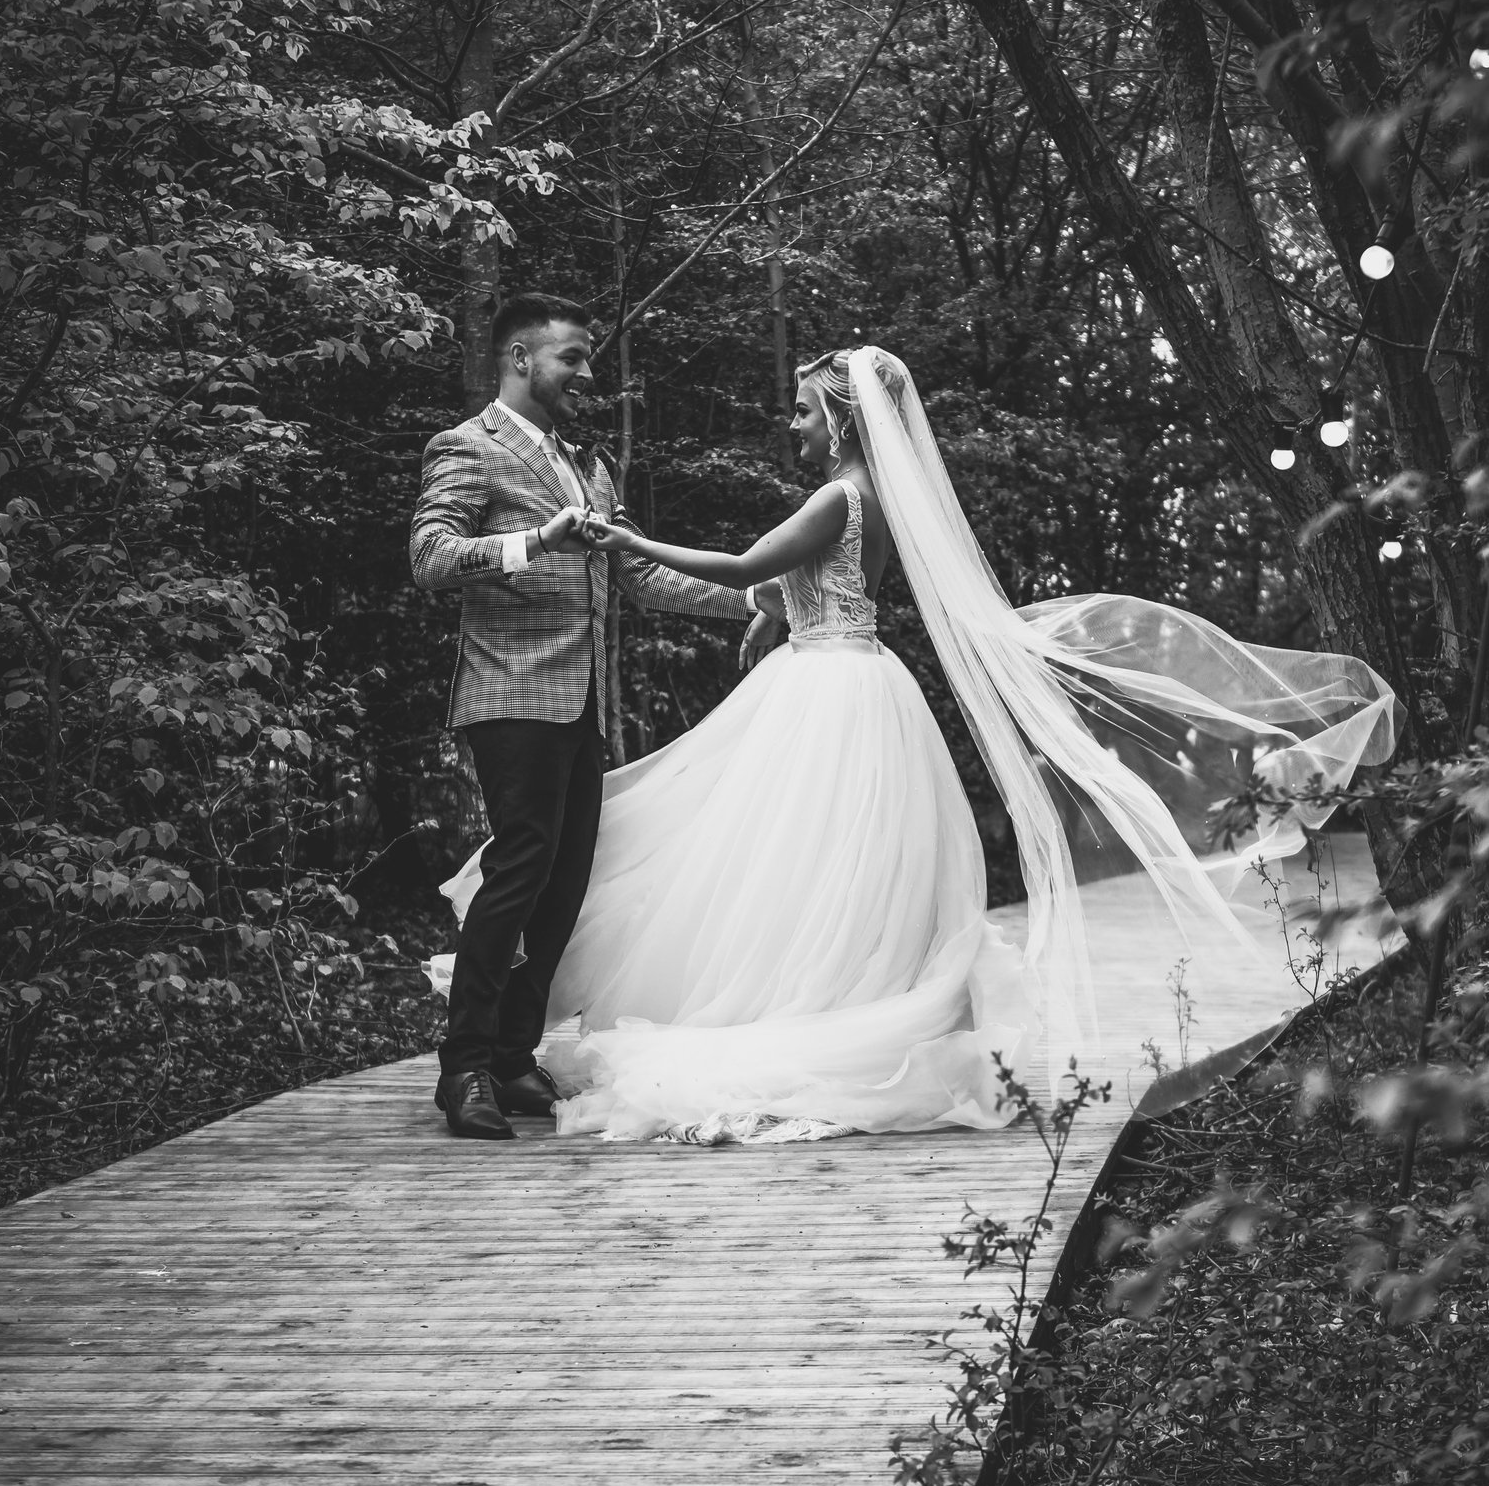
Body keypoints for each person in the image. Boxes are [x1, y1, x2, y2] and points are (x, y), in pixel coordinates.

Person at [429, 346, 1400, 1144]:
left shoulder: (836, 498)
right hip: (855, 678)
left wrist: (631, 543)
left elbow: (741, 563)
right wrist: (771, 605)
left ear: (843, 420)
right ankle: (806, 1002)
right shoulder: (875, 498)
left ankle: (780, 1019)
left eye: (805, 412)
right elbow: (781, 583)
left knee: (784, 860)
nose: (795, 426)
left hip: (827, 687)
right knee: (828, 866)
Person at [409, 292, 781, 1141]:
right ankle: (462, 1067)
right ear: (518, 359)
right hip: (509, 692)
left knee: (566, 880)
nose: (586, 373)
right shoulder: (468, 448)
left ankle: (512, 1056)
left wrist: (767, 596)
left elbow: (640, 577)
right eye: (571, 357)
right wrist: (536, 540)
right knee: (522, 866)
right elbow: (429, 558)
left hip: (583, 707)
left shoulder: (591, 466)